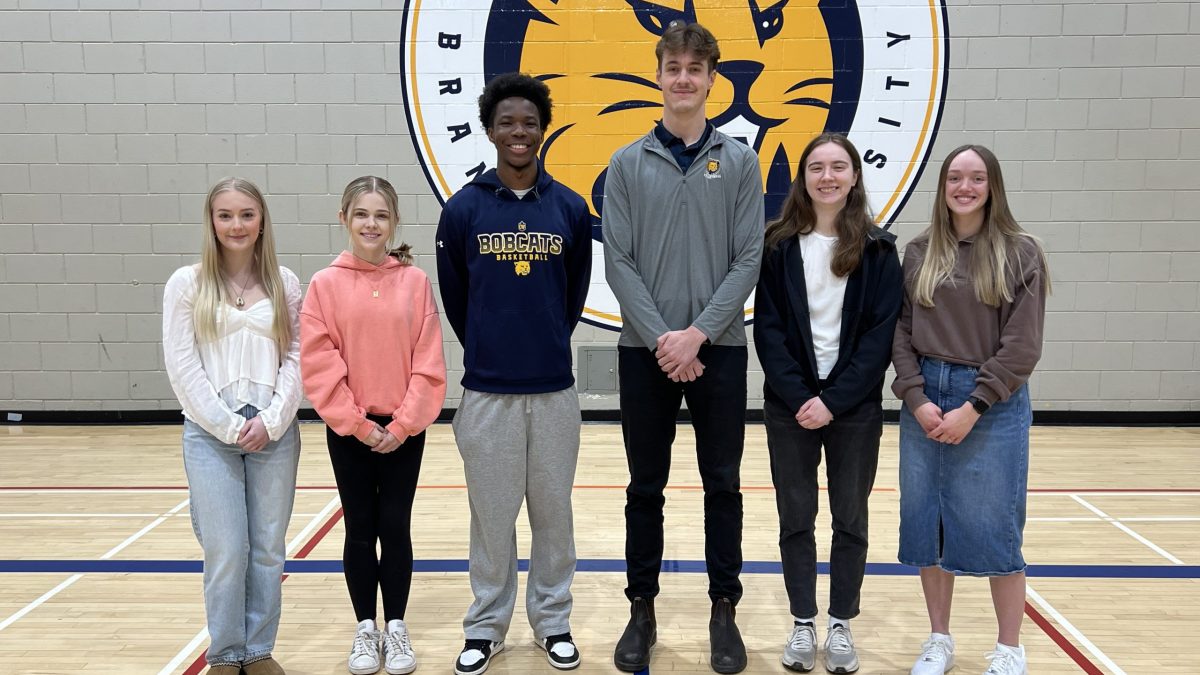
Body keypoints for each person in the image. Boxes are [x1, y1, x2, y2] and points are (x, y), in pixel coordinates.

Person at [602, 20, 764, 675]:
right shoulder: (625, 163)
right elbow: (618, 261)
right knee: (646, 487)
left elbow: (749, 255)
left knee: (722, 485)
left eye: (696, 68)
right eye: (674, 67)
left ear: (712, 78)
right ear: (659, 74)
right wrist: (665, 339)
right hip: (645, 352)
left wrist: (697, 334)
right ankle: (641, 609)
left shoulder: (742, 160)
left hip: (719, 348)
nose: (684, 78)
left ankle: (723, 609)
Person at [435, 72, 593, 675]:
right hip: (488, 393)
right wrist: (490, 343)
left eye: (529, 122)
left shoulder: (570, 208)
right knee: (492, 517)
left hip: (552, 390)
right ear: (490, 130)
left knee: (554, 514)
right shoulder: (465, 208)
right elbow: (456, 298)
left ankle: (553, 622)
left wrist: (544, 337)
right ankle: (485, 627)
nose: (519, 132)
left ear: (542, 128)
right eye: (507, 123)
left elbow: (572, 293)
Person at [892, 145, 1050, 675]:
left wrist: (973, 406)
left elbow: (1022, 346)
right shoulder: (918, 252)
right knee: (928, 525)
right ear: (942, 187)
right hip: (925, 401)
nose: (965, 187)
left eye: (976, 178)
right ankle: (939, 639)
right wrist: (916, 399)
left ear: (992, 186)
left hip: (990, 403)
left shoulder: (1021, 252)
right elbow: (901, 333)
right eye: (955, 177)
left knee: (996, 526)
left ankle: (1010, 649)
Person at [753, 134, 902, 674]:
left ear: (855, 177)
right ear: (804, 179)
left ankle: (840, 623)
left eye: (839, 166)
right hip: (790, 408)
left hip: (854, 410)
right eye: (817, 167)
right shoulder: (777, 246)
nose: (828, 176)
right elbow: (767, 332)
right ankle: (802, 622)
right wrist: (802, 397)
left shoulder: (880, 250)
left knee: (850, 519)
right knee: (796, 518)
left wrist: (833, 402)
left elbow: (879, 340)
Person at [301, 176, 447, 675]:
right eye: (361, 214)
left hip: (404, 430)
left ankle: (397, 627)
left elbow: (429, 363)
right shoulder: (324, 285)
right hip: (350, 430)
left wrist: (403, 425)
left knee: (395, 526)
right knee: (360, 529)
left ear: (394, 223)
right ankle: (367, 627)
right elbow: (321, 366)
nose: (371, 223)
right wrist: (360, 426)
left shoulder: (414, 283)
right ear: (344, 218)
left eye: (381, 215)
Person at [163, 177, 303, 675]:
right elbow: (182, 367)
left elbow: (297, 356)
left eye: (246, 214)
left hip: (274, 433)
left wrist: (273, 420)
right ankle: (225, 653)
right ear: (211, 221)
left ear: (262, 220)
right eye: (225, 215)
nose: (236, 225)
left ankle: (259, 650)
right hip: (210, 435)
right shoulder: (187, 284)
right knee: (226, 547)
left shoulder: (284, 282)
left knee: (267, 549)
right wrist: (226, 426)